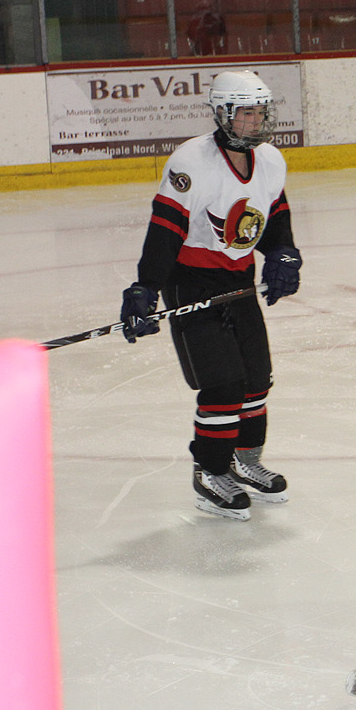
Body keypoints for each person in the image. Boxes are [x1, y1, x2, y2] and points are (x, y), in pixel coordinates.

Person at [119, 70, 302, 521]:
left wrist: (283, 254)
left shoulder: (272, 160)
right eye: (246, 113)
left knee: (257, 378)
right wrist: (146, 288)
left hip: (239, 279)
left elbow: (273, 215)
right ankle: (210, 471)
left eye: (260, 112)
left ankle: (245, 460)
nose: (256, 121)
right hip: (192, 282)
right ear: (222, 115)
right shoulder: (192, 162)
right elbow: (165, 230)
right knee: (223, 384)